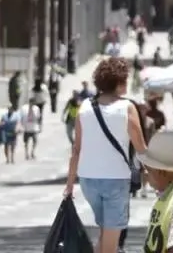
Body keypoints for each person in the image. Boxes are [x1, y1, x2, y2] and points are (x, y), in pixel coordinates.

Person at [63, 57, 148, 253]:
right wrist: (157, 175)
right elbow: (141, 148)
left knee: (105, 234)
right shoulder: (127, 107)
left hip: (88, 180)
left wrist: (69, 185)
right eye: (125, 79)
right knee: (111, 243)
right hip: (116, 180)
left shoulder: (84, 106)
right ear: (118, 82)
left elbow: (76, 149)